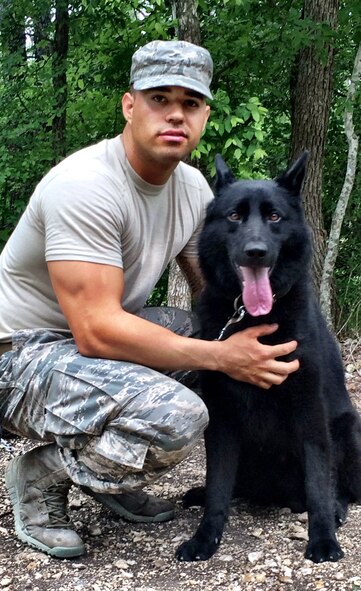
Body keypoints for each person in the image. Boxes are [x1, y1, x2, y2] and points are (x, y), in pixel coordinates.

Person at [0, 40, 299, 559]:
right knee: (178, 414)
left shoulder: (191, 189)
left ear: (205, 114)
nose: (175, 114)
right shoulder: (86, 185)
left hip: (83, 345)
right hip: (18, 354)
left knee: (198, 332)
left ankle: (110, 473)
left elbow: (214, 292)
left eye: (190, 102)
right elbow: (95, 331)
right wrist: (222, 357)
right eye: (159, 98)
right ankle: (42, 474)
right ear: (129, 105)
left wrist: (267, 340)